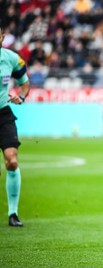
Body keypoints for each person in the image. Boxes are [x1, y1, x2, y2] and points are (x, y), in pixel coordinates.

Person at [0, 24, 30, 227]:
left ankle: (13, 213)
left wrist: (21, 96)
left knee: (12, 161)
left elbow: (24, 82)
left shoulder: (10, 58)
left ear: (2, 36)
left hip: (3, 114)